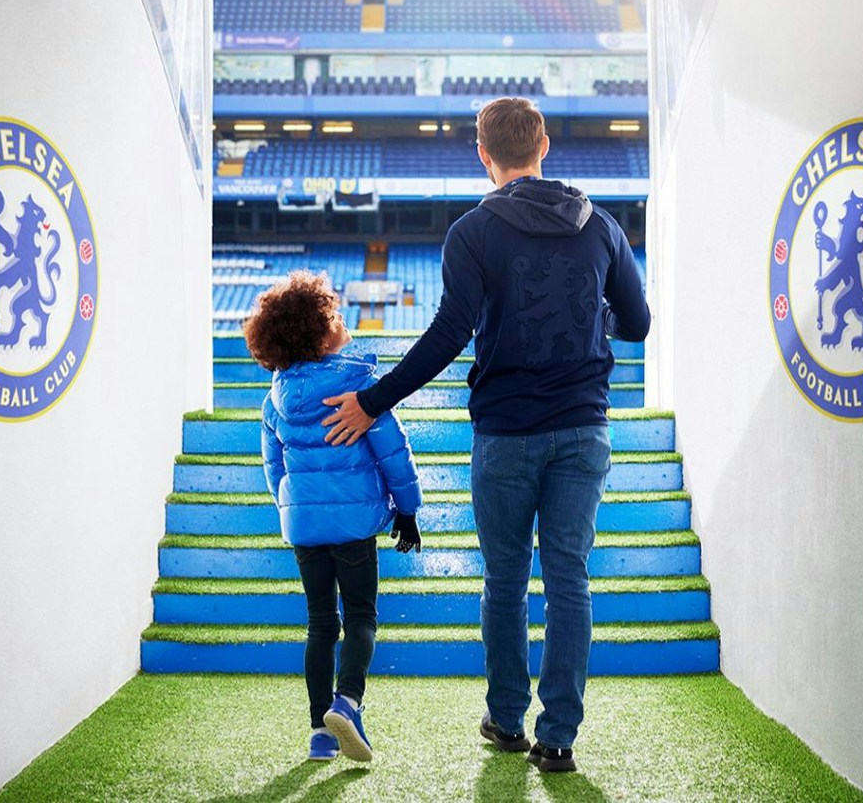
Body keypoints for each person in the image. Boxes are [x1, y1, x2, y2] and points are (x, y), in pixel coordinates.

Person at [320, 97, 651, 773]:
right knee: (569, 580)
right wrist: (586, 315)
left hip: (505, 435)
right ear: (545, 146)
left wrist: (372, 401)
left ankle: (506, 722)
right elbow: (637, 322)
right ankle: (558, 737)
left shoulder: (472, 231)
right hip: (584, 430)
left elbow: (448, 336)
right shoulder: (603, 227)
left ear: (483, 154)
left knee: (505, 580)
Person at [244, 272, 424, 764]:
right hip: (353, 526)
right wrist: (406, 511)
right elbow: (393, 452)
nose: (345, 323)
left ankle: (319, 734)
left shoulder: (275, 400)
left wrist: (292, 508)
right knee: (362, 615)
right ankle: (347, 701)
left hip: (304, 526)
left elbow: (273, 466)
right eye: (337, 317)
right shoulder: (358, 387)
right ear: (322, 334)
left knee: (320, 623)